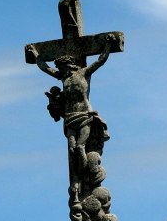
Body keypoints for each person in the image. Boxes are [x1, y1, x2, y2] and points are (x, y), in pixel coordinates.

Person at [26, 34, 116, 191]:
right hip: (69, 118)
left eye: (62, 68)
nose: (61, 71)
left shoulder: (83, 73)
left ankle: (83, 178)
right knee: (72, 148)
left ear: (69, 65)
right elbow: (45, 67)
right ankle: (76, 180)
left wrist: (108, 45)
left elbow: (100, 61)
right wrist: (35, 54)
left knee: (80, 147)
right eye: (60, 69)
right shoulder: (63, 78)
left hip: (84, 115)